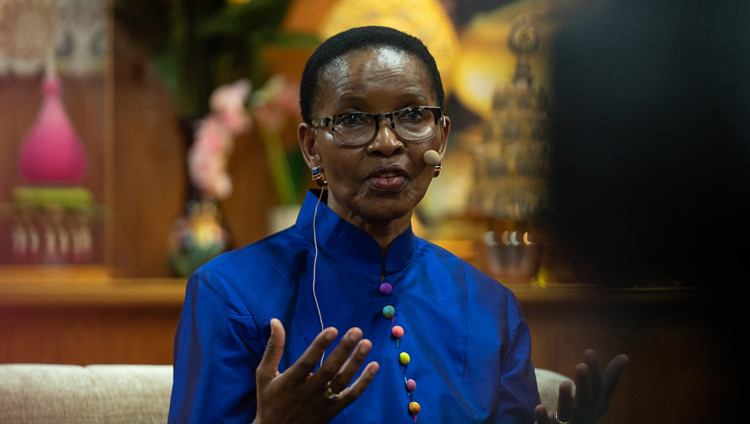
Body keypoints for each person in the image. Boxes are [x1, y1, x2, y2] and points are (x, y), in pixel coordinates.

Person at [168, 26, 628, 424]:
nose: (387, 143)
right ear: (311, 148)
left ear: (441, 138)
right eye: (352, 119)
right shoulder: (228, 293)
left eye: (411, 116)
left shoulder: (492, 308)